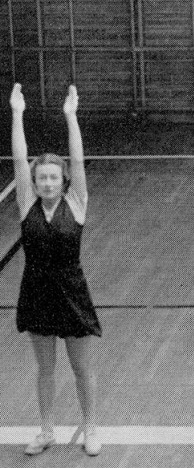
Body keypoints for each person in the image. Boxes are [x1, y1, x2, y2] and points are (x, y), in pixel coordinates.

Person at [9, 83, 103, 456]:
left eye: (53, 177)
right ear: (34, 183)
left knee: (81, 368)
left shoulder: (77, 202)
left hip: (71, 291)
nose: (47, 182)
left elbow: (78, 161)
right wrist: (17, 115)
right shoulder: (27, 203)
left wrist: (70, 117)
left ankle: (90, 428)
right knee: (44, 369)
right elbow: (20, 159)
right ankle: (46, 429)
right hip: (35, 290)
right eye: (41, 177)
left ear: (63, 181)